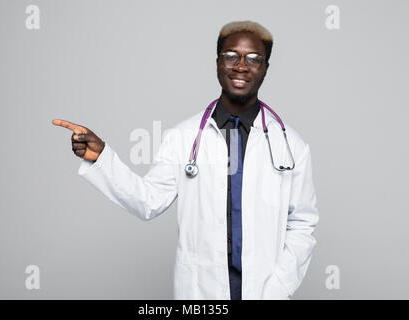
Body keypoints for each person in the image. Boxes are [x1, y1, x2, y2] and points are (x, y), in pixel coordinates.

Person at [52, 20, 319, 300]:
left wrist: (279, 289)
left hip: (265, 288)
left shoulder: (291, 146)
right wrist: (102, 158)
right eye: (231, 56)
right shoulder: (183, 137)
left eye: (254, 58)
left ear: (265, 68)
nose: (241, 66)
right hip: (200, 288)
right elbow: (148, 201)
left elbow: (302, 224)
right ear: (217, 63)